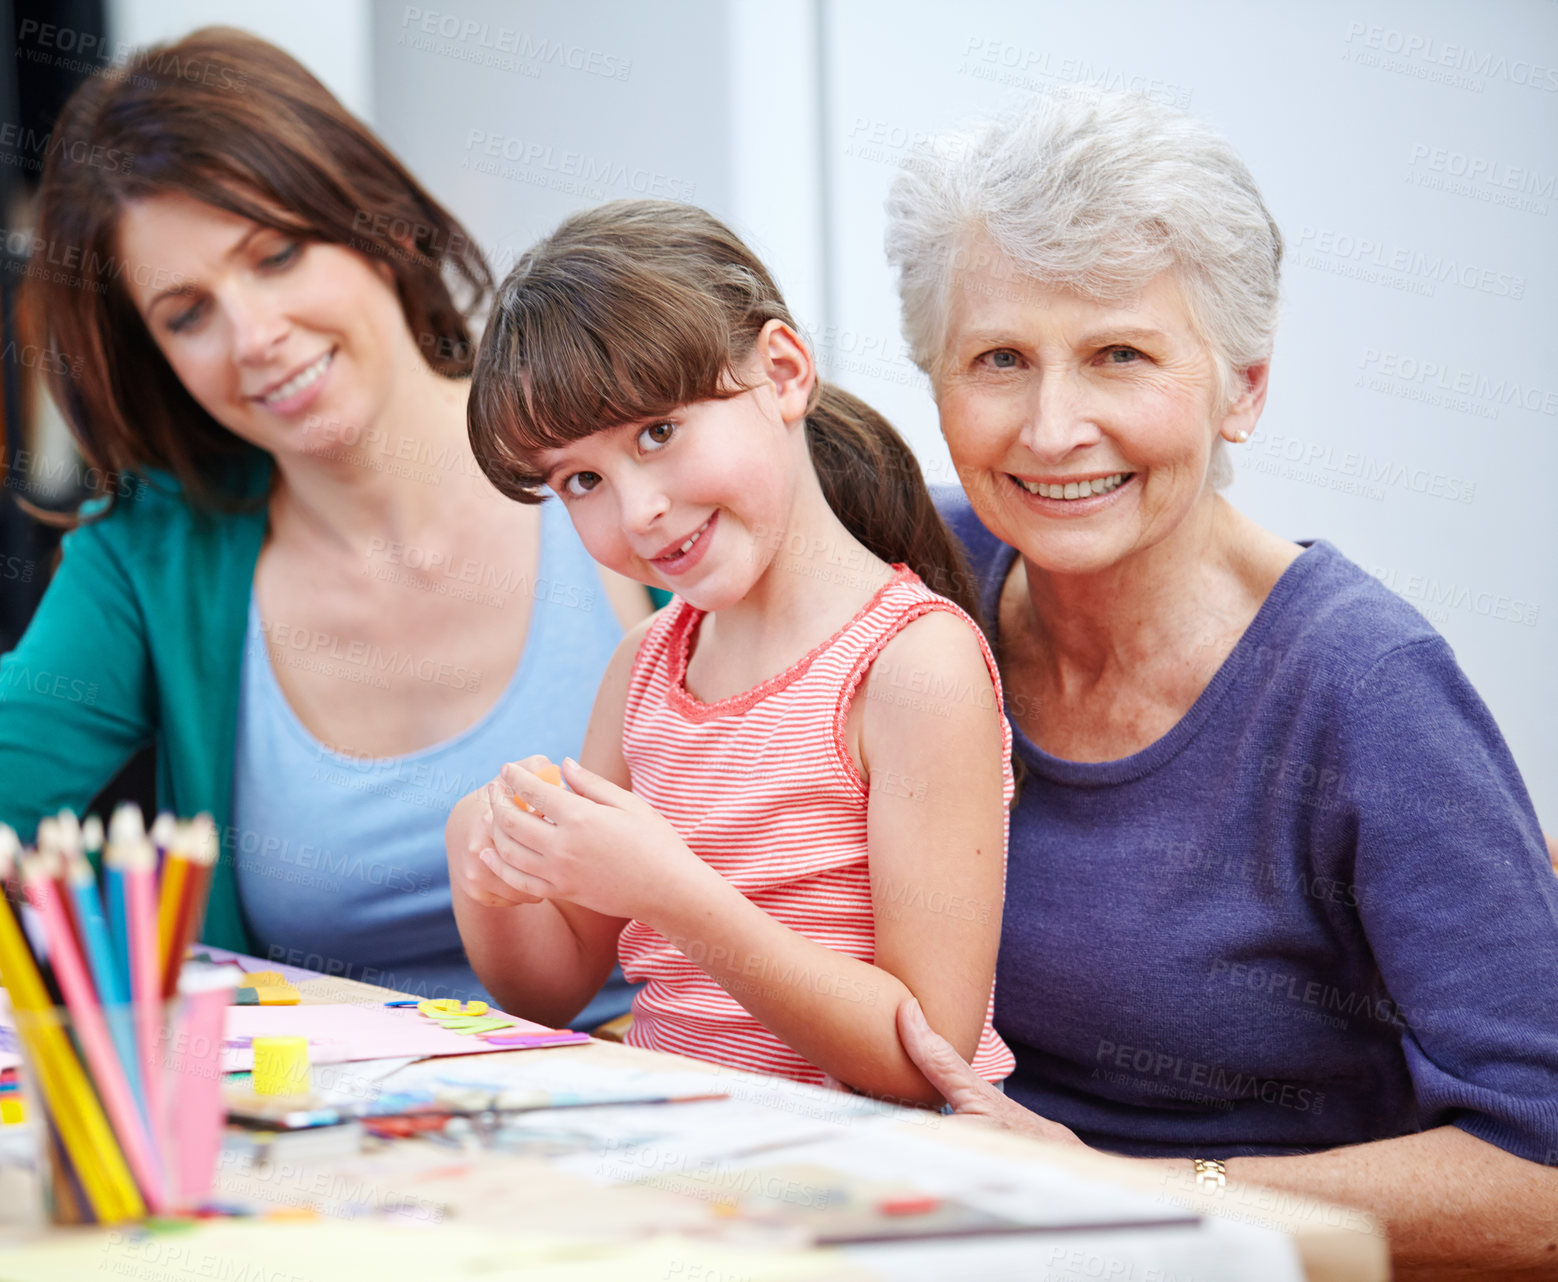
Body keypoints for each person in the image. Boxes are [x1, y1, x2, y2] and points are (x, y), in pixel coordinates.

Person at [873, 92, 1558, 1274]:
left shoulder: (1366, 686)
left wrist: (1130, 1193)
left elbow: (1539, 1174)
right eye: (998, 359)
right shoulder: (910, 575)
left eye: (1119, 356)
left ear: (1242, 386)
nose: (1051, 427)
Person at [0, 28, 649, 1024]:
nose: (255, 337)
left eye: (279, 253)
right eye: (187, 314)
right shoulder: (149, 553)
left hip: (692, 1109)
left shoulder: (617, 435)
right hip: (331, 1150)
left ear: (380, 224)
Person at [445, 200, 1012, 1099]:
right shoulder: (644, 671)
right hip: (680, 1157)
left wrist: (674, 894)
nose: (638, 512)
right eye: (582, 480)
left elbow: (929, 1062)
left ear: (782, 373)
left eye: (658, 432)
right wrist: (486, 870)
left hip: (874, 1184)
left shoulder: (913, 667)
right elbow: (552, 989)